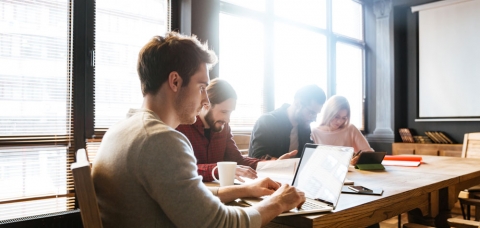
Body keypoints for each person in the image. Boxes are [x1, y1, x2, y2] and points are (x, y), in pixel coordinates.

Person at [91, 32, 305, 227]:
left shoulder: (119, 131)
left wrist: (245, 189)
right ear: (175, 81)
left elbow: (188, 203)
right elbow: (219, 224)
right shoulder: (159, 140)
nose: (205, 100)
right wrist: (278, 202)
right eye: (202, 87)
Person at [176, 78, 297, 182]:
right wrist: (219, 170)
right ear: (206, 104)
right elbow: (181, 169)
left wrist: (272, 165)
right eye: (224, 112)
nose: (227, 120)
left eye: (230, 112)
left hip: (220, 193)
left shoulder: (224, 128)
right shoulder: (181, 126)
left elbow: (239, 161)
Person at [249, 85, 326, 159]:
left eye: (316, 114)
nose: (314, 119)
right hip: (268, 172)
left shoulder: (304, 126)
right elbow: (259, 158)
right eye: (312, 113)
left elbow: (305, 157)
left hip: (292, 172)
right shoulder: (267, 121)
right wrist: (280, 163)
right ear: (297, 104)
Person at [311, 95, 374, 164]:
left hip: (349, 172)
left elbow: (369, 153)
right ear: (328, 113)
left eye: (344, 118)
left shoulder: (350, 129)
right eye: (336, 117)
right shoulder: (314, 133)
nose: (339, 121)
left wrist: (359, 159)